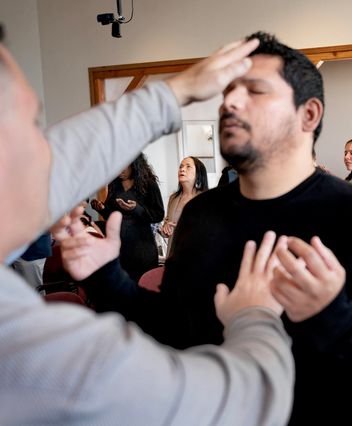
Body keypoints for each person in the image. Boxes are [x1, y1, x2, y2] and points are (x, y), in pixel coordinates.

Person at [61, 32, 352, 426]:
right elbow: (176, 327)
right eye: (228, 92)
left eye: (255, 91)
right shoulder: (201, 214)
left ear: (308, 115)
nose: (230, 102)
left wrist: (334, 315)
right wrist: (106, 278)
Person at [0, 30, 294, 425]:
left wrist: (174, 92)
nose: (233, 105)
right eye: (35, 127)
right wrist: (255, 317)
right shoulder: (27, 347)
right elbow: (238, 402)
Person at [91, 154, 165, 282]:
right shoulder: (115, 184)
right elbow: (112, 216)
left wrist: (136, 208)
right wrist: (102, 209)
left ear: (134, 163)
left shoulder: (148, 184)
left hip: (142, 249)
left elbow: (158, 214)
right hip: (120, 249)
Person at [160, 156, 209, 254]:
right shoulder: (173, 198)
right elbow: (166, 227)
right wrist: (166, 229)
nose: (182, 169)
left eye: (188, 167)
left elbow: (209, 230)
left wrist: (183, 228)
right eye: (181, 166)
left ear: (198, 173)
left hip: (196, 255)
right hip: (173, 255)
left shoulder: (205, 198)